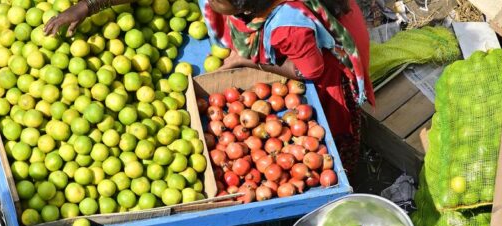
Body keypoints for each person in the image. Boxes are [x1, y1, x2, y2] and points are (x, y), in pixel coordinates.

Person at [44, 0, 374, 174]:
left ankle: (344, 176)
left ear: (246, 9)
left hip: (324, 59)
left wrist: (252, 63)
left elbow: (307, 72)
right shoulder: (254, 8)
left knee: (332, 135)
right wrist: (90, 5)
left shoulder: (288, 28)